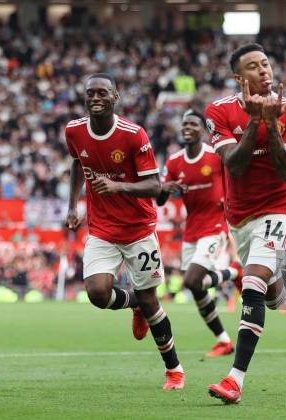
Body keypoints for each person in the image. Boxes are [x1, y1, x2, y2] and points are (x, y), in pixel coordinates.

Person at [204, 43, 286, 403]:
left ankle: (234, 380)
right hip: (239, 216)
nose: (264, 71)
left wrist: (270, 122)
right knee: (268, 295)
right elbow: (234, 165)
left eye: (266, 64)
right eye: (253, 67)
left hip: (279, 207)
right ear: (239, 78)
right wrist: (255, 119)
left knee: (252, 282)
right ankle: (280, 280)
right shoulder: (218, 112)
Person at [64, 73, 184, 390]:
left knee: (151, 300)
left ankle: (174, 370)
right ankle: (133, 303)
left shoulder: (133, 135)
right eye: (90, 93)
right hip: (101, 228)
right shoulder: (74, 130)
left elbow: (154, 185)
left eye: (102, 92)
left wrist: (117, 185)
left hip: (138, 229)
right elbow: (77, 162)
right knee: (97, 293)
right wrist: (73, 206)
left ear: (115, 96)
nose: (95, 98)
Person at [156, 109, 243, 357]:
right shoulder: (174, 162)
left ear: (203, 130)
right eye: (185, 124)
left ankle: (235, 271)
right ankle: (224, 340)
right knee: (195, 287)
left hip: (215, 225)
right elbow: (161, 200)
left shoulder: (216, 157)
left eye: (194, 124)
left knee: (192, 281)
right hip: (192, 228)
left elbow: (232, 186)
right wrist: (165, 188)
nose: (188, 127)